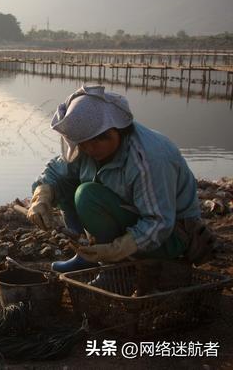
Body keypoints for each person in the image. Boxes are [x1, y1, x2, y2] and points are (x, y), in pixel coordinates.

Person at [27, 85, 214, 273]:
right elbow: (56, 172)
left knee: (87, 195)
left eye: (98, 140)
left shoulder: (148, 158)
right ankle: (86, 256)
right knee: (64, 184)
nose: (90, 149)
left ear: (118, 130)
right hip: (130, 216)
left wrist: (114, 251)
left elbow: (158, 223)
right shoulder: (86, 148)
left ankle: (112, 268)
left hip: (171, 236)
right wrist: (40, 198)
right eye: (83, 144)